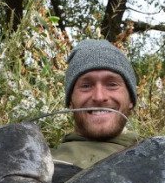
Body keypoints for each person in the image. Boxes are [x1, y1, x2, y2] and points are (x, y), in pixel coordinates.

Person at [51, 39, 140, 171]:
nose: (99, 97)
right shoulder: (41, 163)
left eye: (112, 85)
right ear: (70, 101)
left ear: (131, 99)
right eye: (86, 86)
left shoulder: (160, 159)